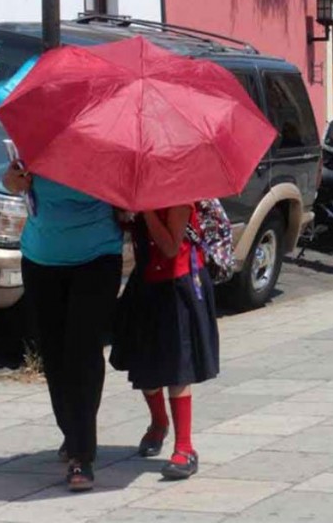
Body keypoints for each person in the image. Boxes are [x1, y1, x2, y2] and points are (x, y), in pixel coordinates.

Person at [2, 166, 123, 491]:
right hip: (42, 259)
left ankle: (82, 453)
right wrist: (15, 181)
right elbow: (10, 181)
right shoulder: (40, 142)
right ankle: (73, 432)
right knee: (53, 354)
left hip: (97, 258)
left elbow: (129, 198)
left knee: (82, 350)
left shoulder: (110, 146)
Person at [113, 205, 219, 480]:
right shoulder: (137, 190)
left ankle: (185, 448)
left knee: (178, 367)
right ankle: (159, 423)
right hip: (147, 281)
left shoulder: (179, 194)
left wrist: (146, 212)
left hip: (178, 282)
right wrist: (125, 216)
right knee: (144, 365)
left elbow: (171, 246)